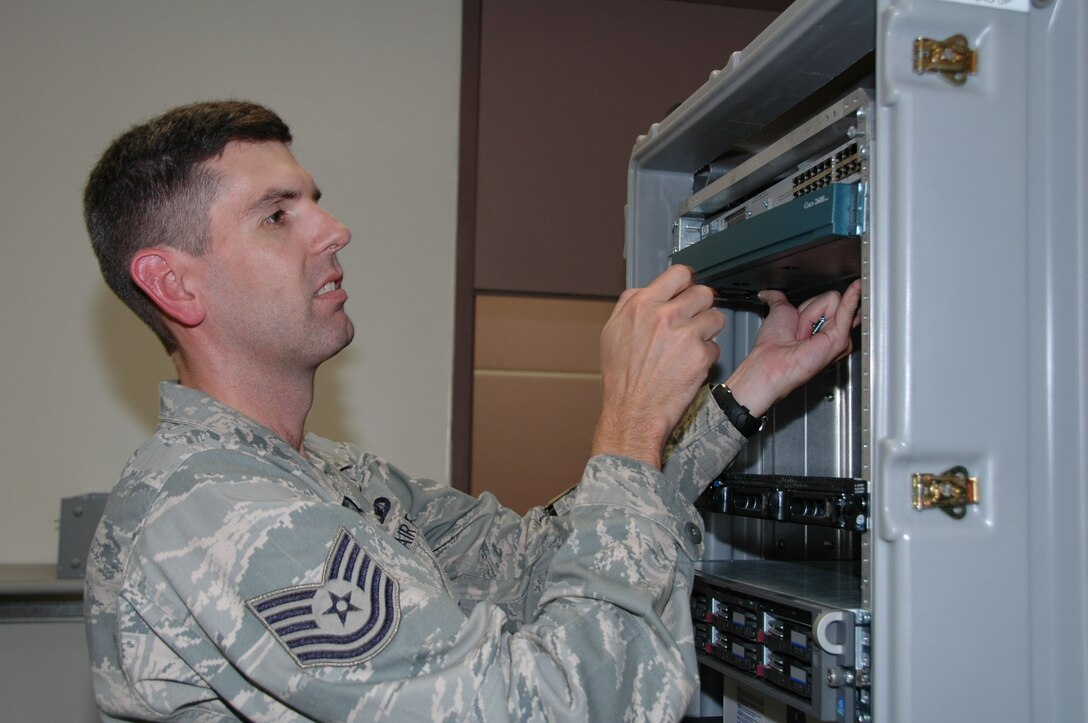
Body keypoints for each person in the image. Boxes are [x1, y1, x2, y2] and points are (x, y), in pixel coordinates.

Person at [83, 100, 861, 722]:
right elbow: (556, 707)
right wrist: (624, 429)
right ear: (174, 285)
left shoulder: (326, 476)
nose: (333, 229)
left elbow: (529, 561)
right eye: (277, 215)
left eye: (315, 201)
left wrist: (741, 394)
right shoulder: (221, 513)